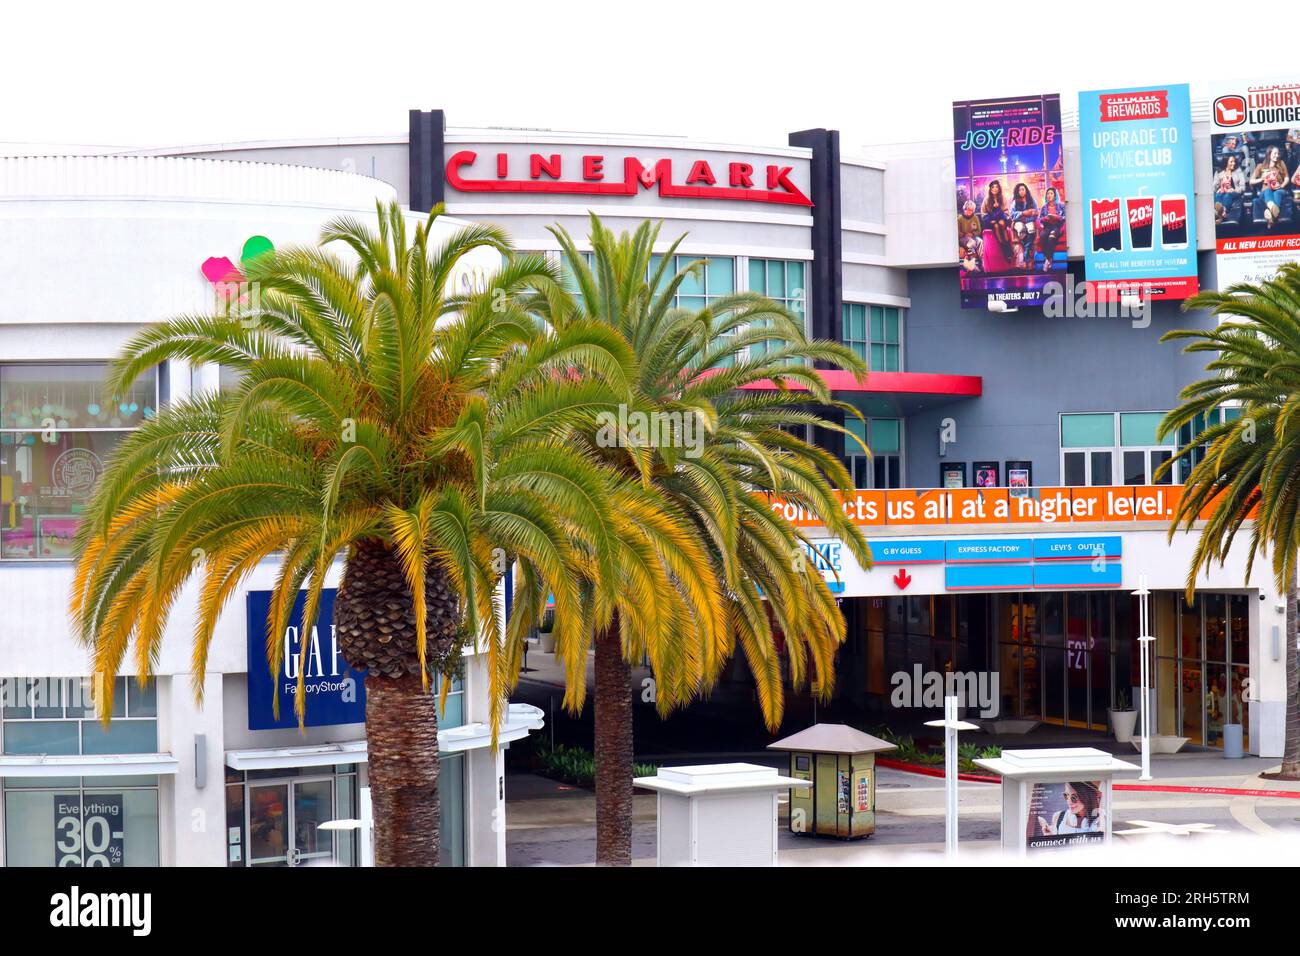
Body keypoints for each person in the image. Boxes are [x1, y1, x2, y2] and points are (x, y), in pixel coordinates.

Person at [1038, 781, 1105, 835]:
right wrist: (1049, 836)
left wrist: (1101, 817)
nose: (1069, 802)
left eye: (1074, 797)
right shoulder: (1058, 816)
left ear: (1086, 796)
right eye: (1066, 795)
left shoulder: (1099, 817)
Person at [1250, 146, 1289, 227]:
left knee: (1277, 193)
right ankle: (1272, 210)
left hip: (1279, 190)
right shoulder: (1261, 166)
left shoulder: (1281, 163)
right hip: (1265, 191)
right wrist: (1261, 179)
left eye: (1278, 153)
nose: (1277, 155)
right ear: (1269, 154)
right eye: (1275, 153)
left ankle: (1270, 216)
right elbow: (1251, 181)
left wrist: (1282, 185)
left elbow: (1287, 178)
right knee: (1268, 190)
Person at [982, 180, 1013, 260]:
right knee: (996, 226)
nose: (995, 189)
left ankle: (1008, 249)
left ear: (999, 189)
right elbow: (984, 213)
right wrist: (990, 220)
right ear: (990, 189)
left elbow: (1006, 212)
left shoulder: (1002, 198)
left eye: (996, 187)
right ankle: (1005, 251)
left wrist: (1000, 211)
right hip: (991, 220)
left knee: (1002, 224)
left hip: (1001, 218)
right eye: (993, 187)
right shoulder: (986, 199)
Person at [1010, 183, 1038, 269]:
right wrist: (1023, 213)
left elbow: (1035, 213)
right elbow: (1012, 215)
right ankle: (1027, 256)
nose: (1021, 191)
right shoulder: (1015, 202)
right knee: (1021, 228)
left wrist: (1027, 218)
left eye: (1023, 189)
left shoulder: (1032, 200)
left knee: (1031, 228)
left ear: (1026, 190)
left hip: (1029, 221)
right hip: (1018, 222)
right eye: (1019, 190)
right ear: (1017, 192)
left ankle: (1026, 254)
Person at [1037, 187, 1065, 271]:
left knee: (1051, 238)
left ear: (1055, 195)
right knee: (1042, 236)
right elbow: (1040, 219)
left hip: (1057, 226)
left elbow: (1065, 217)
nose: (1049, 195)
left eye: (1051, 193)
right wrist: (1046, 218)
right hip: (1047, 226)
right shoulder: (1044, 207)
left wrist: (1057, 217)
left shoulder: (1061, 205)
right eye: (1048, 194)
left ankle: (1047, 260)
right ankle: (1049, 259)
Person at [1215, 155, 1246, 225]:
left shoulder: (1238, 171)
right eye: (1231, 162)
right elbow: (1213, 187)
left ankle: (1223, 212)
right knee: (1217, 195)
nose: (1234, 163)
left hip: (1234, 193)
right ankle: (1221, 216)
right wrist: (1219, 187)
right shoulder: (1219, 172)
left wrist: (1234, 190)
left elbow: (1243, 187)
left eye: (1234, 161)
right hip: (1222, 192)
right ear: (1226, 163)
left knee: (1227, 195)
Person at [957, 199, 983, 269]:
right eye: (968, 210)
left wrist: (973, 234)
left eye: (971, 210)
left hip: (973, 236)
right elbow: (957, 232)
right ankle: (973, 263)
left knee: (980, 241)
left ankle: (982, 261)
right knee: (971, 242)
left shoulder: (975, 218)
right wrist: (964, 234)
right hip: (963, 238)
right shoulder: (959, 219)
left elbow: (979, 230)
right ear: (964, 209)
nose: (969, 212)